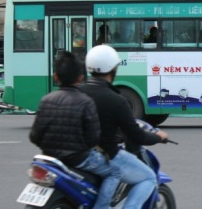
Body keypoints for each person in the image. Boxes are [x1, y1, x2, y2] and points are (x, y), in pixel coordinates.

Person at [80, 45, 169, 209]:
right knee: (148, 177)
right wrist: (158, 137)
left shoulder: (78, 92)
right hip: (105, 154)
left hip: (78, 153)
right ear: (112, 69)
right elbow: (137, 136)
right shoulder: (116, 100)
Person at [29, 51, 121, 209]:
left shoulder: (46, 100)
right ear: (80, 78)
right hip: (78, 158)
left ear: (56, 77)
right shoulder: (85, 102)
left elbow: (34, 136)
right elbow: (92, 139)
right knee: (115, 172)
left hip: (48, 157)